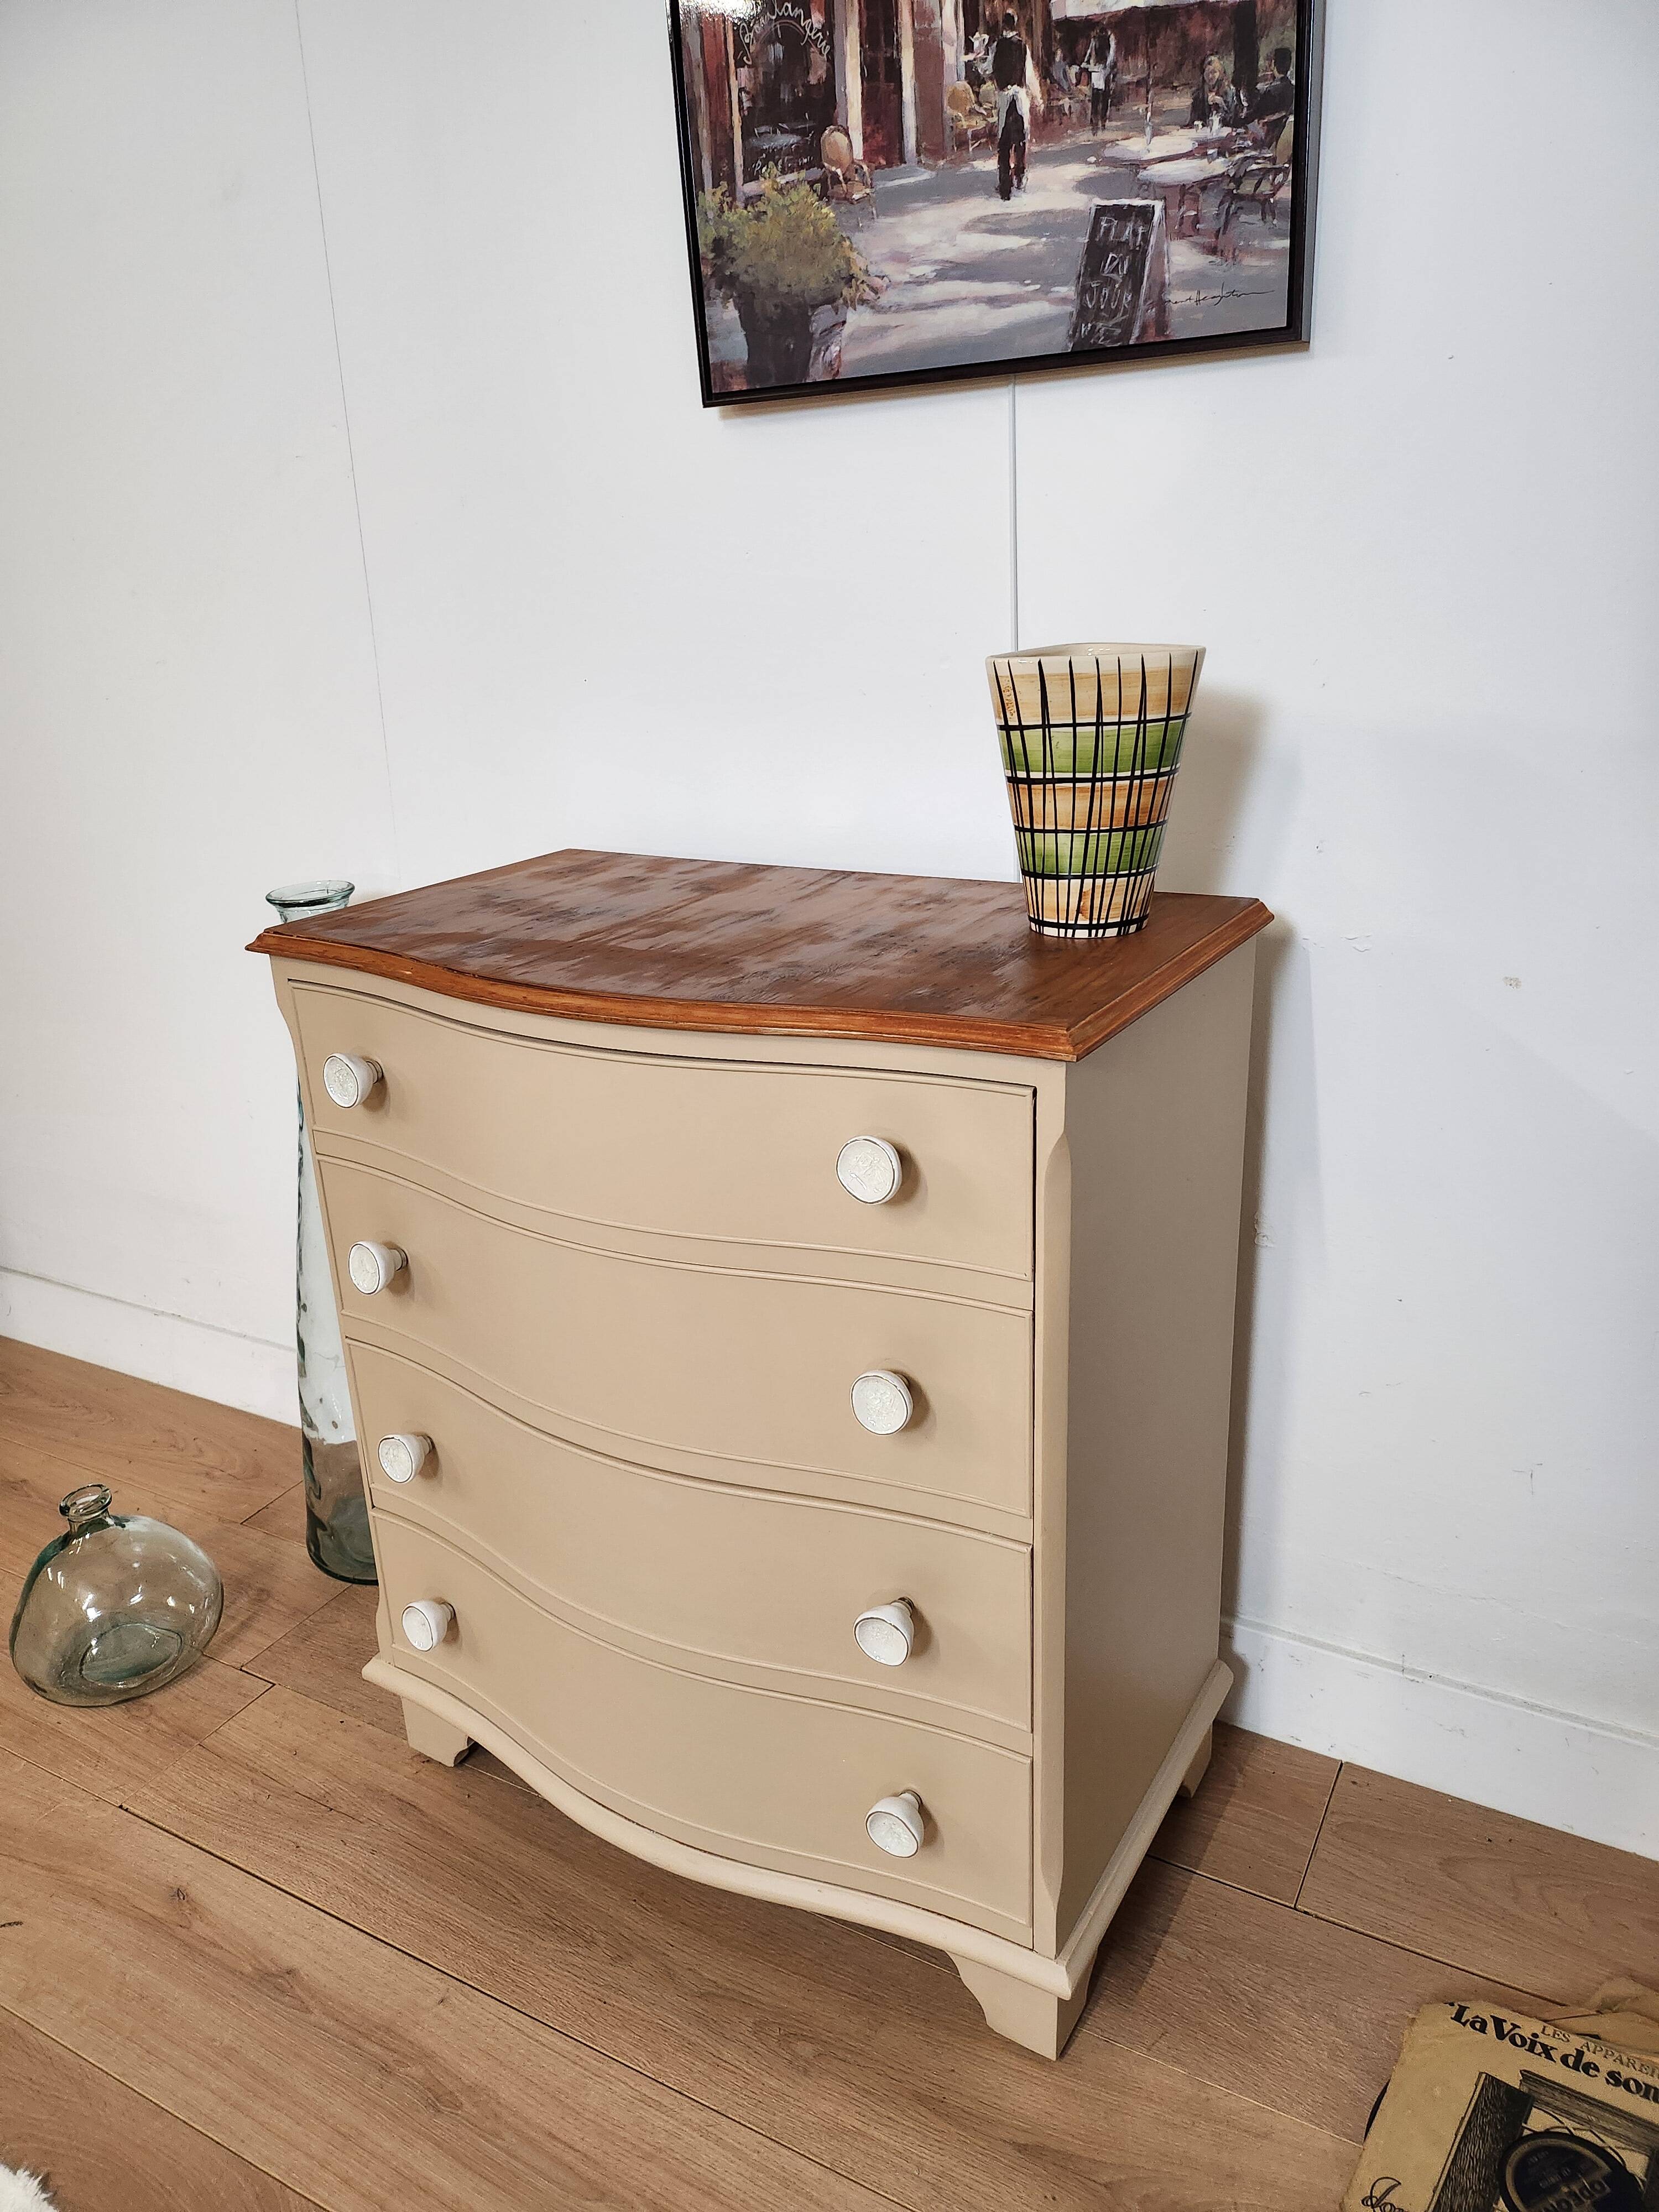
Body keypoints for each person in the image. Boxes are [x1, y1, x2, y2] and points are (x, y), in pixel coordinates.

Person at [988, 11, 1042, 200]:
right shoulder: (1023, 47)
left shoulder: (996, 47)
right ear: (1016, 25)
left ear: (1004, 25)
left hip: (1004, 100)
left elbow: (987, 68)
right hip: (1019, 99)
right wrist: (1038, 98)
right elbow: (1029, 75)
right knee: (1020, 140)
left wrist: (980, 64)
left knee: (1003, 144)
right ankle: (1019, 175)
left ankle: (1005, 186)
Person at [1246, 45, 1295, 144]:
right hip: (1282, 138)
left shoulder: (1271, 91)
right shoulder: (1292, 88)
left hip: (1267, 137)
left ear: (1274, 63)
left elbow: (1255, 113)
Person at [1188, 53, 1244, 130]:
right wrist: (1198, 124)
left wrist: (1222, 104)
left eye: (1214, 72)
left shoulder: (1229, 92)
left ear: (1220, 73)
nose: (1210, 76)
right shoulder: (1198, 94)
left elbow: (1234, 121)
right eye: (1207, 72)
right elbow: (1193, 120)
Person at [1086, 27, 1117, 133]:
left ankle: (1098, 123)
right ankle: (1099, 122)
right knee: (1102, 98)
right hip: (1101, 72)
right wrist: (1107, 67)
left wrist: (1087, 63)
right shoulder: (1107, 39)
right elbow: (1111, 56)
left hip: (1099, 71)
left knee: (1097, 98)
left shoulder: (1099, 39)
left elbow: (1090, 53)